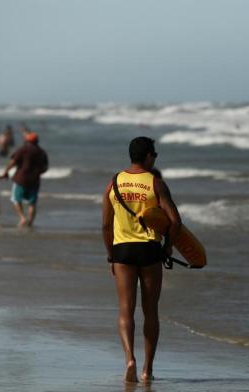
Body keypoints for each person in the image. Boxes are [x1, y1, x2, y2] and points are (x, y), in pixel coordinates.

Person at [102, 137, 181, 383]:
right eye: (154, 155)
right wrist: (168, 248)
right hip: (149, 250)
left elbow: (105, 224)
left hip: (122, 251)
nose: (154, 158)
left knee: (126, 310)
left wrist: (111, 255)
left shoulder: (113, 183)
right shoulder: (155, 183)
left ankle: (129, 359)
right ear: (147, 156)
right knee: (151, 312)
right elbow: (175, 221)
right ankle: (147, 369)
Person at [0, 132, 48, 227]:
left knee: (16, 199)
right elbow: (45, 167)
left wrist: (6, 171)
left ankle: (22, 217)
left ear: (27, 141)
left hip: (21, 179)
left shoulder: (23, 149)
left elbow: (13, 162)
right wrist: (38, 173)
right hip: (34, 180)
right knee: (32, 203)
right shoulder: (41, 152)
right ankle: (30, 222)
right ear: (37, 141)